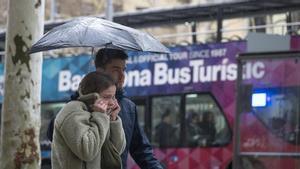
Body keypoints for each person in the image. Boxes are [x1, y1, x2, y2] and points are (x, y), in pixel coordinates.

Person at [48, 48, 163, 169]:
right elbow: (55, 134)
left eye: (124, 70)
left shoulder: (128, 107)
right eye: (115, 70)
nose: (122, 76)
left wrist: (113, 121)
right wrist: (91, 108)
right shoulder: (76, 107)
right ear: (100, 72)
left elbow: (137, 150)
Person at [51, 71, 126, 169]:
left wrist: (113, 119)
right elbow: (87, 152)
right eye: (107, 97)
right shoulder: (73, 111)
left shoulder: (100, 115)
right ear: (93, 96)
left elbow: (116, 151)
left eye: (113, 97)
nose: (112, 103)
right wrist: (100, 116)